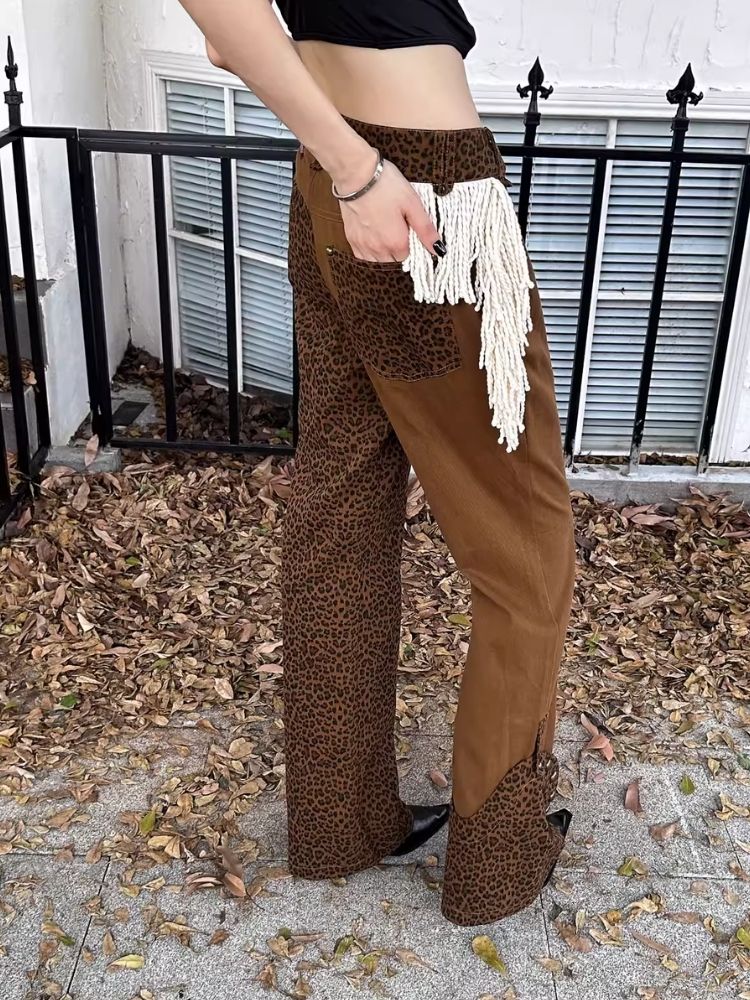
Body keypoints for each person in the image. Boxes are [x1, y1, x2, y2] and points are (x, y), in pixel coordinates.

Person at [175, 0, 576, 926]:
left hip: (338, 179)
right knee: (527, 548)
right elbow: (221, 19)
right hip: (421, 197)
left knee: (342, 516)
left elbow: (225, 41)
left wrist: (348, 164)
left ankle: (339, 823)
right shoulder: (385, 174)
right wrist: (363, 174)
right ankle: (497, 861)